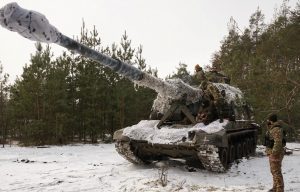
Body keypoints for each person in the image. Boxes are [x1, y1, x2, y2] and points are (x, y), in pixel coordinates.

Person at [265, 114, 285, 192]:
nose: (267, 121)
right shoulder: (273, 128)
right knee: (274, 171)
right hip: (272, 152)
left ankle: (280, 189)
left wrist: (274, 153)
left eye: (268, 120)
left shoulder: (276, 129)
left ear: (271, 120)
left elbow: (278, 142)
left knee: (276, 172)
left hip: (276, 153)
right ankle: (275, 188)